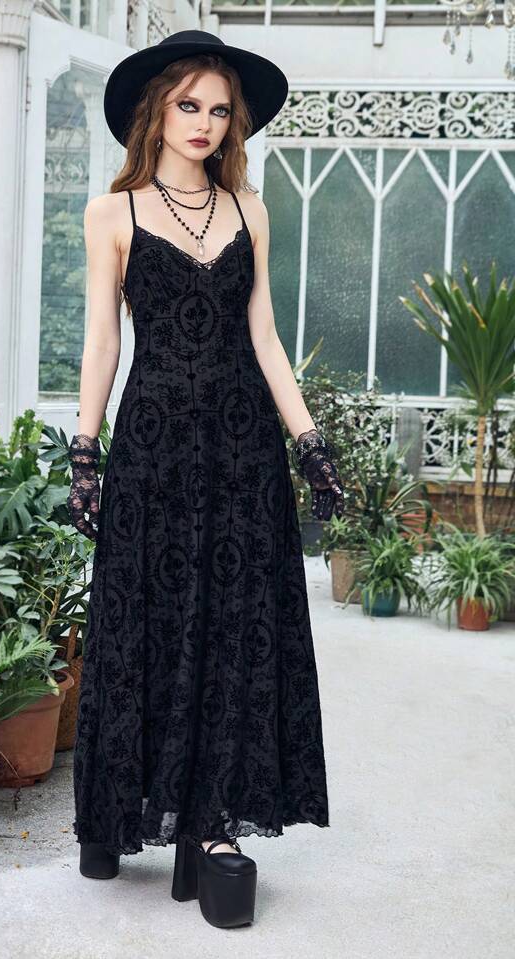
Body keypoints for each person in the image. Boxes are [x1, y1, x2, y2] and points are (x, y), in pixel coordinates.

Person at [66, 30, 345, 929]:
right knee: (143, 622)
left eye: (220, 110)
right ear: (157, 109)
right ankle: (114, 811)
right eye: (189, 104)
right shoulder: (112, 214)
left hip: (241, 452)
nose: (205, 122)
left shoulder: (249, 209)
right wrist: (84, 451)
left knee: (232, 629)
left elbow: (264, 337)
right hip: (152, 449)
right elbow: (103, 341)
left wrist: (308, 442)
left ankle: (214, 825)